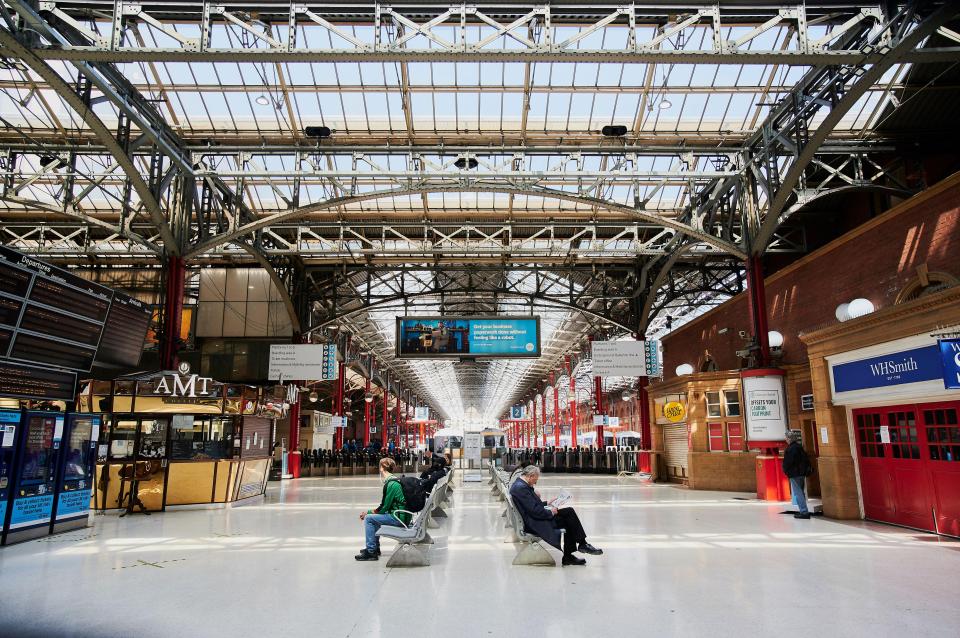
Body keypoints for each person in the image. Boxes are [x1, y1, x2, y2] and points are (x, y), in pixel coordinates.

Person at [509, 465, 602, 566]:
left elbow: (531, 505)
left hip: (534, 518)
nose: (535, 483)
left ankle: (576, 550)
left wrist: (547, 503)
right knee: (568, 516)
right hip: (535, 523)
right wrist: (551, 512)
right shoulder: (521, 488)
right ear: (531, 476)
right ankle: (578, 548)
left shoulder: (520, 485)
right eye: (535, 480)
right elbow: (534, 511)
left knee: (568, 514)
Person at [356, 457, 411, 561]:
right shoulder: (394, 480)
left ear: (382, 468)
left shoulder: (391, 484)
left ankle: (371, 551)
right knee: (374, 518)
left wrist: (367, 512)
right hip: (401, 515)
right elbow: (385, 507)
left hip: (398, 518)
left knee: (369, 519)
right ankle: (374, 548)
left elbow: (383, 507)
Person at [782, 430, 813, 519]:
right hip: (801, 473)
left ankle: (804, 512)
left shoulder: (790, 449)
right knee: (801, 492)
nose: (786, 440)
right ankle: (803, 510)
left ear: (789, 439)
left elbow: (788, 462)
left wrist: (786, 470)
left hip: (794, 474)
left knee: (798, 492)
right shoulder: (799, 447)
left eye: (786, 438)